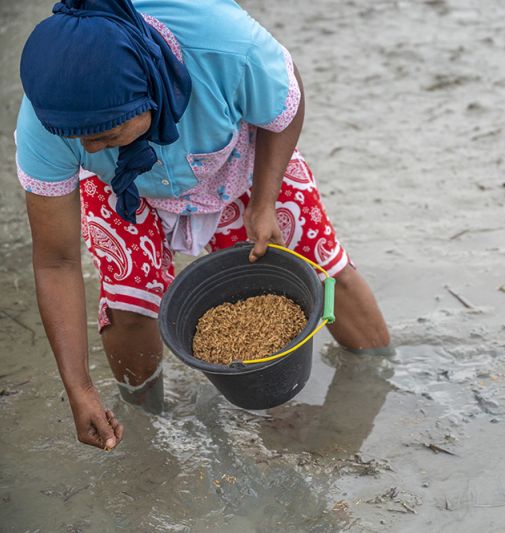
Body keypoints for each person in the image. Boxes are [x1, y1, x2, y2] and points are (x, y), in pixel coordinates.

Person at [15, 0, 390, 451]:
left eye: (106, 136)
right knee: (130, 302)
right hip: (125, 185)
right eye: (79, 140)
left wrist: (265, 202)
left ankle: (378, 384)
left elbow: (285, 103)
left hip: (235, 158)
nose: (89, 147)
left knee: (319, 267)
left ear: (148, 91)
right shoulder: (52, 121)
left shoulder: (224, 45)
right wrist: (80, 390)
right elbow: (56, 261)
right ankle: (146, 424)